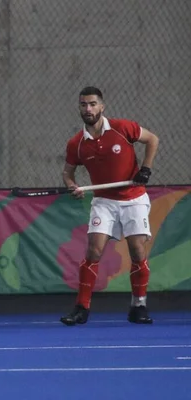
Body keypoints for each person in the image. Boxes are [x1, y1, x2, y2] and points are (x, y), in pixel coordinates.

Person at [60, 86, 159, 326]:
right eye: (83, 104)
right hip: (104, 201)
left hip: (133, 198)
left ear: (102, 106)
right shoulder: (77, 144)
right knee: (93, 250)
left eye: (93, 104)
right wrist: (72, 186)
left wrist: (145, 168)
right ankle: (81, 308)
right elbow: (67, 173)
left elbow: (152, 139)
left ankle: (139, 306)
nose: (88, 109)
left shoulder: (122, 128)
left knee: (137, 251)